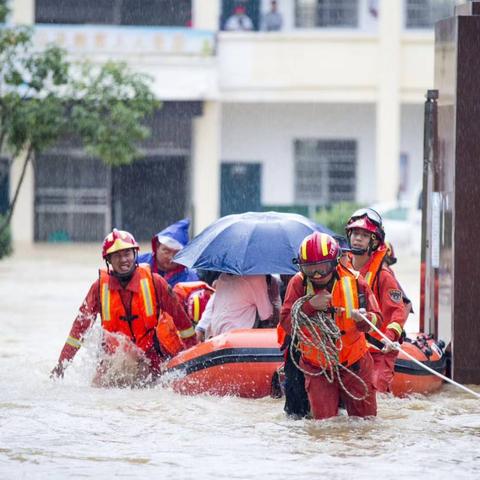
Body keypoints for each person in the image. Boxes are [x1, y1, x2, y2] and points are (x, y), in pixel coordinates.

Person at [51, 229, 197, 385]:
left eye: (127, 253)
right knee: (99, 384)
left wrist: (194, 355)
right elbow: (78, 332)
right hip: (113, 361)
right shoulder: (99, 288)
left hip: (151, 361)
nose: (123, 260)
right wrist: (62, 365)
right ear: (108, 260)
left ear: (135, 254)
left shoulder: (155, 282)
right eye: (117, 256)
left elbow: (183, 322)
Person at [278, 232, 382, 420]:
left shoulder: (356, 281)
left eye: (323, 268)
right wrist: (309, 306)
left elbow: (377, 319)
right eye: (311, 269)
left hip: (355, 364)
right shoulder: (298, 284)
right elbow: (286, 322)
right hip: (317, 367)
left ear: (334, 263)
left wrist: (364, 321)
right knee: (324, 426)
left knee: (366, 424)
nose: (317, 275)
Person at [345, 208, 411, 393]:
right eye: (355, 233)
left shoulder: (384, 275)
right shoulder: (341, 270)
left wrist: (388, 339)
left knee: (375, 393)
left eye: (364, 235)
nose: (358, 238)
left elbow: (397, 313)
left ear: (374, 241)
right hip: (350, 348)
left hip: (379, 350)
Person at [195, 273, 273, 341]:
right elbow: (266, 315)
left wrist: (200, 328)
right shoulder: (257, 278)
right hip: (237, 339)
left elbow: (212, 306)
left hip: (216, 336)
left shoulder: (223, 277)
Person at [137, 218, 199, 288]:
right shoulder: (137, 263)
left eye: (176, 254)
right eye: (166, 251)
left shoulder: (190, 279)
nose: (170, 257)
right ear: (157, 247)